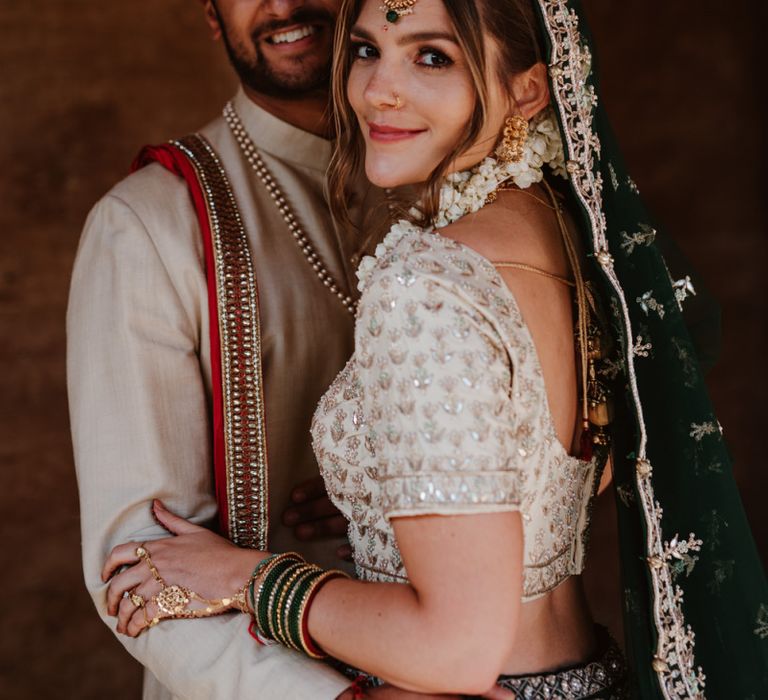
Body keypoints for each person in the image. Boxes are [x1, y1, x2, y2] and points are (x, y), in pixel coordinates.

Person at [101, 0, 768, 698]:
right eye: (366, 49)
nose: (377, 89)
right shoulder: (570, 240)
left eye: (431, 57)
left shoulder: (426, 284)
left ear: (527, 90)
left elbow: (455, 651)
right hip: (589, 678)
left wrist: (248, 577)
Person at [68, 1, 388, 698]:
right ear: (211, 14)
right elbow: (138, 570)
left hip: (473, 659)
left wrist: (399, 497)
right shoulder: (149, 225)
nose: (280, 4)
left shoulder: (470, 188)